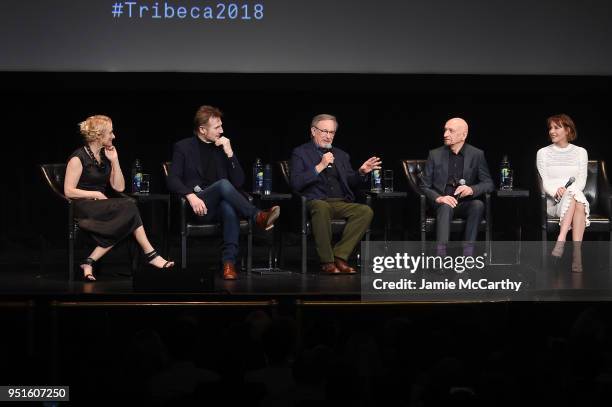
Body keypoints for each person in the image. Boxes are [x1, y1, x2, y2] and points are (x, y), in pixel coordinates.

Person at [166, 105, 280, 280]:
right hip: (199, 206)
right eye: (217, 127)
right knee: (223, 185)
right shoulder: (183, 147)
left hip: (220, 206)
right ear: (202, 130)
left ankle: (228, 264)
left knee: (229, 206)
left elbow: (239, 182)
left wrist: (229, 153)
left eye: (221, 126)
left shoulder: (222, 147)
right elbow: (173, 179)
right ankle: (257, 216)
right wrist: (190, 196)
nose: (222, 130)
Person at [64, 115, 174, 281]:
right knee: (129, 207)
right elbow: (69, 191)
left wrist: (115, 161)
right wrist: (95, 194)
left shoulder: (103, 156)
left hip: (102, 206)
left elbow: (119, 187)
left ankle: (88, 262)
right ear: (99, 135)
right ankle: (151, 255)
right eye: (110, 133)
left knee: (128, 212)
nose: (114, 136)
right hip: (83, 207)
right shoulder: (78, 158)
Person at [290, 114, 380, 274]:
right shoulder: (300, 153)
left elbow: (350, 182)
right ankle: (327, 261)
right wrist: (320, 166)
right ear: (313, 131)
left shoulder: (341, 154)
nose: (328, 136)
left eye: (332, 132)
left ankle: (340, 256)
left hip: (340, 202)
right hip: (315, 200)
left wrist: (361, 172)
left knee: (365, 211)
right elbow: (296, 183)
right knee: (321, 206)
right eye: (324, 131)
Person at [421, 117, 494, 256]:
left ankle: (468, 254)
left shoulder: (476, 154)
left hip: (463, 204)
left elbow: (488, 183)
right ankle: (441, 255)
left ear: (463, 135)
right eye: (445, 130)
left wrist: (472, 189)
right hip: (442, 204)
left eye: (451, 131)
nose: (445, 134)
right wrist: (439, 198)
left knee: (478, 205)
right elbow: (424, 186)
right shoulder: (434, 154)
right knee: (446, 206)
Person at [536, 114, 589, 272]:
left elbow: (581, 181)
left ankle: (562, 240)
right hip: (553, 203)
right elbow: (544, 181)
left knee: (575, 195)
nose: (552, 131)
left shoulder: (581, 152)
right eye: (550, 128)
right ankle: (576, 254)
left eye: (556, 127)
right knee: (577, 198)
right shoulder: (542, 153)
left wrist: (567, 190)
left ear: (567, 130)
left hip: (574, 197)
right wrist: (556, 192)